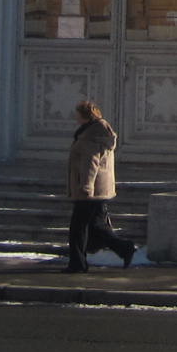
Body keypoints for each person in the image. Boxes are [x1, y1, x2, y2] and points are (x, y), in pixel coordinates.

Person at [63, 100, 139, 272]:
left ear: (84, 115)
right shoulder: (95, 132)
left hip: (90, 191)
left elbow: (91, 163)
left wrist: (86, 187)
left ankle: (78, 264)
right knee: (97, 227)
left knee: (78, 229)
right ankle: (124, 248)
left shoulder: (91, 134)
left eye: (77, 114)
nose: (75, 117)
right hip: (97, 189)